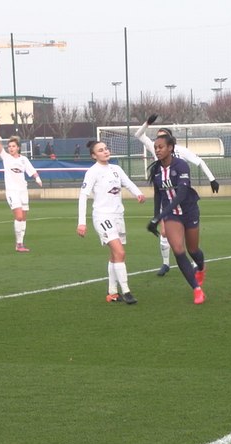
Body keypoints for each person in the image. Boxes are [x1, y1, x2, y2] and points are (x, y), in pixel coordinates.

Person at [135, 114, 218, 276]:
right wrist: (147, 123)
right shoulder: (155, 148)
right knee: (164, 231)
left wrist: (212, 179)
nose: (158, 142)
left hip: (183, 197)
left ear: (170, 142)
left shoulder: (181, 152)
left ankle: (196, 263)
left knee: (189, 239)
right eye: (157, 137)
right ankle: (165, 263)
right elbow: (138, 135)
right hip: (165, 195)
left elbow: (199, 161)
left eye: (162, 137)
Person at [77, 140, 146, 304]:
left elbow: (127, 182)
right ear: (94, 155)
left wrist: (138, 193)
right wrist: (81, 222)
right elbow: (83, 195)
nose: (105, 152)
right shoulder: (92, 172)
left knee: (115, 255)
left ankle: (112, 292)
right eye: (101, 150)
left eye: (106, 148)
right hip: (102, 217)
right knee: (120, 252)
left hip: (118, 216)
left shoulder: (116, 169)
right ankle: (126, 291)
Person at [147, 131, 207, 304]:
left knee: (193, 250)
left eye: (161, 147)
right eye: (155, 147)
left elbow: (181, 195)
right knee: (178, 250)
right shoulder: (156, 170)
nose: (157, 150)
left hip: (189, 211)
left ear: (170, 148)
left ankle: (201, 267)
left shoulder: (181, 166)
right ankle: (196, 289)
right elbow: (158, 195)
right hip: (172, 215)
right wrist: (156, 218)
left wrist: (160, 216)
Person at [0, 114, 43, 252]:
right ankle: (18, 244)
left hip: (23, 191)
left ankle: (20, 244)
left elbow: (32, 171)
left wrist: (37, 178)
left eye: (13, 146)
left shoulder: (23, 160)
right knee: (18, 216)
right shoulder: (6, 158)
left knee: (23, 218)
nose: (10, 148)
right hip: (12, 192)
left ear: (18, 148)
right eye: (9, 146)